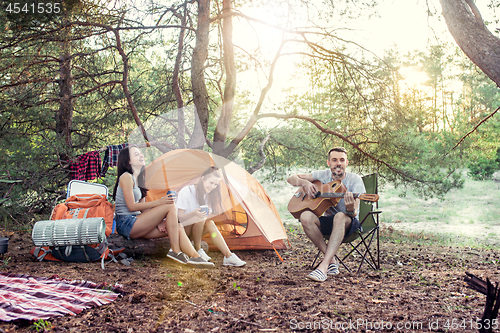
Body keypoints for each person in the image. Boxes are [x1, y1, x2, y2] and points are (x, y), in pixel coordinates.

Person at [112, 145, 213, 267]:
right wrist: (159, 202)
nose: (141, 155)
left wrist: (159, 222)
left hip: (137, 224)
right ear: (128, 161)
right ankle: (175, 251)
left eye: (140, 153)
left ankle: (195, 257)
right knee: (170, 205)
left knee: (178, 226)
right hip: (126, 223)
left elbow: (143, 208)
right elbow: (132, 206)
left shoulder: (140, 179)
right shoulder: (126, 177)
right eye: (136, 154)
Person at [287, 147, 365, 282]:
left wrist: (350, 208)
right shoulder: (322, 175)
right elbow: (291, 179)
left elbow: (354, 213)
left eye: (342, 160)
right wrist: (305, 183)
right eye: (334, 160)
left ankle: (323, 267)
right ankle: (332, 261)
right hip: (330, 222)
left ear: (347, 162)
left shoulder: (355, 180)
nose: (338, 163)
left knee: (340, 216)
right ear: (329, 163)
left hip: (348, 223)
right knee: (305, 216)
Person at [176, 166, 246, 267]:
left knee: (210, 223)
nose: (213, 186)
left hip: (195, 230)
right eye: (211, 183)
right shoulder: (187, 191)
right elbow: (179, 217)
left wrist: (205, 214)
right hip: (182, 231)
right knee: (201, 217)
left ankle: (228, 256)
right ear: (203, 179)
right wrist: (195, 213)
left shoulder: (208, 195)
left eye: (215, 184)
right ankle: (198, 249)